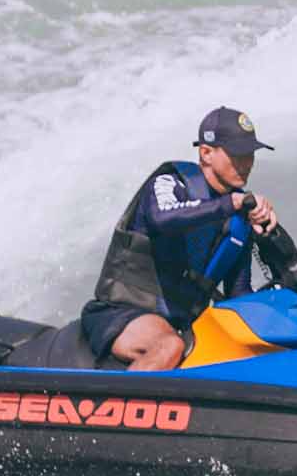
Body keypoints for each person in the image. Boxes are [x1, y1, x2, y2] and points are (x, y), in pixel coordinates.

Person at [80, 106, 281, 371]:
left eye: (250, 155)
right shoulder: (171, 182)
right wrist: (230, 204)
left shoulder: (238, 221)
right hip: (121, 311)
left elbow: (238, 296)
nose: (246, 163)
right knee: (169, 346)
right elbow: (162, 218)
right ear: (206, 153)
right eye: (236, 154)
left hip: (180, 325)